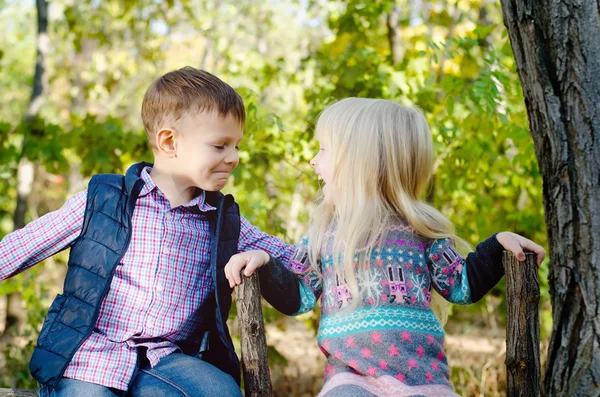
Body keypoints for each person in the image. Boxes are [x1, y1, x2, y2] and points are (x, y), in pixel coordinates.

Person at [0, 66, 301, 396]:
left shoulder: (222, 221)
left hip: (167, 359)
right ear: (169, 141)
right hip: (92, 353)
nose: (234, 158)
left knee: (222, 392)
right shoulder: (104, 200)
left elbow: (299, 260)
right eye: (220, 146)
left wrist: (335, 247)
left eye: (236, 146)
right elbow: (21, 246)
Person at [225, 98, 546, 397]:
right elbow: (299, 297)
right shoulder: (325, 232)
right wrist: (266, 264)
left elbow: (462, 286)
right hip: (350, 378)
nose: (313, 161)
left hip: (423, 379)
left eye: (323, 150)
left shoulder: (422, 230)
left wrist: (496, 245)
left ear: (360, 161)